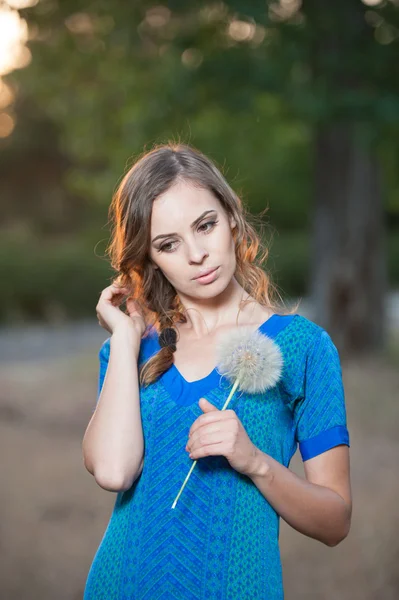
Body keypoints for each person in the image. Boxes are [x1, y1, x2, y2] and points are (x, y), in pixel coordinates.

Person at [82, 142, 352, 600]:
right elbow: (113, 471)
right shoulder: (128, 350)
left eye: (204, 226)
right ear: (151, 259)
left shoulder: (304, 349)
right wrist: (126, 341)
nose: (196, 255)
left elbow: (335, 522)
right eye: (169, 244)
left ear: (231, 217)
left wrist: (256, 463)